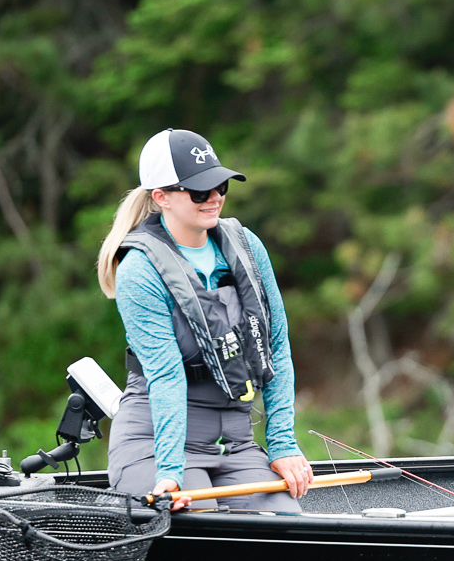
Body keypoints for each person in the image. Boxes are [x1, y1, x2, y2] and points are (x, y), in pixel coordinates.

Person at [96, 129, 314, 513]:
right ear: (160, 197)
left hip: (235, 442)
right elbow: (166, 376)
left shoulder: (248, 246)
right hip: (156, 444)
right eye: (199, 191)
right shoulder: (138, 271)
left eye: (220, 186)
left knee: (286, 523)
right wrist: (169, 473)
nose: (214, 198)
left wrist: (282, 443)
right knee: (203, 520)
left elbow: (277, 346)